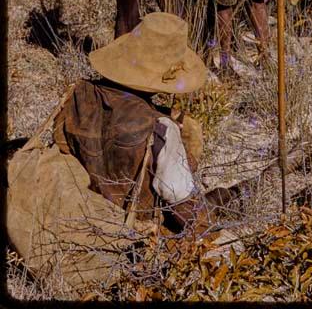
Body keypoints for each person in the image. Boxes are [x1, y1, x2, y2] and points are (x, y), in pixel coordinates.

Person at [53, 12, 242, 234]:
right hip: (133, 231)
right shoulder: (161, 129)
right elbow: (185, 209)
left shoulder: (77, 95)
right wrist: (209, 233)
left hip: (78, 214)